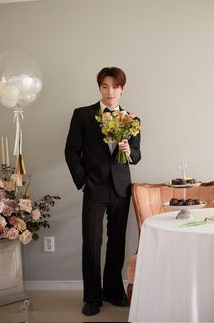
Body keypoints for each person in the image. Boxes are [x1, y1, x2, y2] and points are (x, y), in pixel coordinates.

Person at [65, 67, 141, 316]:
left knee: (117, 241)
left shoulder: (132, 118)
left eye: (115, 87)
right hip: (94, 186)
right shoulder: (83, 115)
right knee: (92, 242)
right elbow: (71, 151)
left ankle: (113, 289)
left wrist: (129, 151)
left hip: (121, 187)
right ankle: (91, 297)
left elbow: (137, 155)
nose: (111, 91)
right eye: (106, 86)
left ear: (123, 89)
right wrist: (83, 182)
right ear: (100, 87)